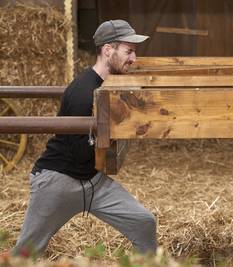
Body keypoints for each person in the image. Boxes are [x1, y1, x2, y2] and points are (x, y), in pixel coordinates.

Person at [13, 20, 157, 256]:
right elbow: (80, 151)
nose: (134, 59)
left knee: (144, 222)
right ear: (108, 50)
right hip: (58, 182)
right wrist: (120, 129)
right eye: (128, 51)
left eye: (134, 52)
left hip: (93, 181)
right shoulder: (83, 91)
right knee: (26, 253)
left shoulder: (107, 87)